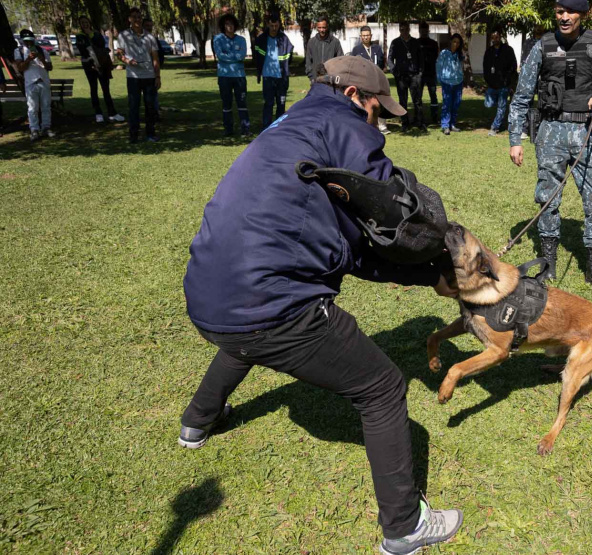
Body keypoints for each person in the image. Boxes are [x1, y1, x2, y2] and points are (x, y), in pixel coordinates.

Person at [178, 54, 463, 555]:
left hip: (207, 293)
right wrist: (436, 261)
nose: (378, 123)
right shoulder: (344, 125)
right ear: (354, 96)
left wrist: (427, 279)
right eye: (377, 110)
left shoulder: (293, 123)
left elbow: (348, 250)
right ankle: (404, 528)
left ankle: (197, 421)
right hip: (271, 306)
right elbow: (393, 217)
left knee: (248, 330)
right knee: (382, 387)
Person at [508, 0, 592, 293]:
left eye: (570, 12)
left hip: (586, 133)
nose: (564, 17)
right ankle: (548, 261)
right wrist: (514, 139)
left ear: (583, 14)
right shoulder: (542, 46)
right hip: (550, 132)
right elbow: (521, 96)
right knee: (547, 198)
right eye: (559, 12)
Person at [116, 7, 160, 143]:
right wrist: (127, 61)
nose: (137, 19)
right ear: (129, 19)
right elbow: (119, 54)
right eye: (134, 17)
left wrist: (157, 76)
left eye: (139, 17)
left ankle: (150, 134)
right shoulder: (123, 35)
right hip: (133, 76)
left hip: (149, 75)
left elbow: (155, 58)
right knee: (134, 106)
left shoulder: (150, 37)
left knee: (150, 107)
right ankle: (133, 135)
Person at [76, 16, 124, 124]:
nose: (85, 24)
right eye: (82, 23)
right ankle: (98, 113)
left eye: (86, 22)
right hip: (89, 65)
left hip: (101, 64)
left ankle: (112, 113)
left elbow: (102, 45)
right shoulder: (79, 36)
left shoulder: (96, 33)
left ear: (89, 23)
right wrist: (91, 63)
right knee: (94, 88)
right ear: (80, 24)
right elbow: (83, 50)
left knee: (106, 89)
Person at [254, 11, 294, 128]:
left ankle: (279, 128)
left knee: (281, 103)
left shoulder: (284, 39)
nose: (274, 28)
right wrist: (259, 72)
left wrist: (285, 70)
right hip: (267, 77)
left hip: (281, 77)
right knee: (268, 103)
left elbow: (289, 56)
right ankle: (267, 127)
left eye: (276, 26)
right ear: (268, 24)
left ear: (279, 25)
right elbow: (257, 58)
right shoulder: (261, 39)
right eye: (272, 26)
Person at [14, 29, 54, 142]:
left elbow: (50, 67)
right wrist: (28, 59)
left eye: (30, 40)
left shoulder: (42, 50)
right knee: (32, 108)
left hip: (44, 81)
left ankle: (46, 127)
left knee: (46, 106)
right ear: (22, 41)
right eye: (26, 41)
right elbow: (20, 68)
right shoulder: (19, 51)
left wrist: (42, 59)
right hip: (30, 82)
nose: (29, 43)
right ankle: (34, 129)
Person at [214, 14, 249, 136]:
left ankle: (245, 128)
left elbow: (242, 56)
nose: (230, 26)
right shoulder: (218, 39)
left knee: (242, 103)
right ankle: (228, 129)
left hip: (239, 76)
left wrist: (228, 55)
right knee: (226, 103)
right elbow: (220, 56)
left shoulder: (241, 40)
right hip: (224, 76)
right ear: (223, 26)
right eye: (227, 24)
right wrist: (234, 56)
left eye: (232, 24)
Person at [351, 25, 390, 135]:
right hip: (362, 81)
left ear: (371, 36)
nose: (366, 37)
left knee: (379, 102)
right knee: (364, 102)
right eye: (363, 35)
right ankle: (365, 124)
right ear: (360, 36)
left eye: (367, 35)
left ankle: (382, 126)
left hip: (376, 80)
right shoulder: (356, 50)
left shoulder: (377, 48)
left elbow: (382, 63)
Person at [388, 22, 424, 131]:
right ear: (399, 30)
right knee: (402, 101)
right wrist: (395, 72)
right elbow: (390, 59)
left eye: (406, 29)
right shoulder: (395, 43)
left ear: (409, 29)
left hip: (414, 75)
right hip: (401, 77)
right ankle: (405, 122)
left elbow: (421, 59)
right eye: (401, 29)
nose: (404, 31)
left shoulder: (415, 42)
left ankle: (419, 122)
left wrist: (420, 73)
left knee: (417, 100)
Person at [483, 29, 517, 137]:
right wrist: (488, 80)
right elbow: (485, 67)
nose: (495, 39)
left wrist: (508, 80)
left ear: (500, 37)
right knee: (488, 104)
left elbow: (513, 65)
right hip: (492, 84)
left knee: (501, 106)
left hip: (504, 84)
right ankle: (499, 116)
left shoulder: (508, 50)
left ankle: (495, 127)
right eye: (493, 37)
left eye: (497, 37)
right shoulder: (489, 52)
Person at [436, 33, 464, 135]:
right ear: (451, 42)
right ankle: (445, 125)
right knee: (447, 104)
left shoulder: (460, 54)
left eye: (458, 42)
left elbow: (461, 67)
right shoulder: (444, 53)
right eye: (454, 41)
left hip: (458, 82)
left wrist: (461, 77)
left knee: (456, 103)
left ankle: (452, 124)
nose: (456, 44)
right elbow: (439, 66)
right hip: (447, 82)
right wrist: (439, 79)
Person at [304, 15, 342, 83]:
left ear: (327, 26)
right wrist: (311, 77)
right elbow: (308, 62)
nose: (321, 30)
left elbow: (340, 61)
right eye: (319, 27)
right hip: (315, 80)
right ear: (316, 27)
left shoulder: (335, 42)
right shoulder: (311, 42)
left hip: (331, 81)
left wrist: (334, 77)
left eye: (324, 27)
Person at [417, 22, 440, 125]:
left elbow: (435, 57)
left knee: (433, 95)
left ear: (428, 31)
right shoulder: (416, 43)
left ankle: (434, 117)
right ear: (419, 31)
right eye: (422, 30)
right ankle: (419, 117)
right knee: (418, 96)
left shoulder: (433, 43)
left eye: (426, 30)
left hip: (431, 73)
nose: (424, 32)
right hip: (419, 74)